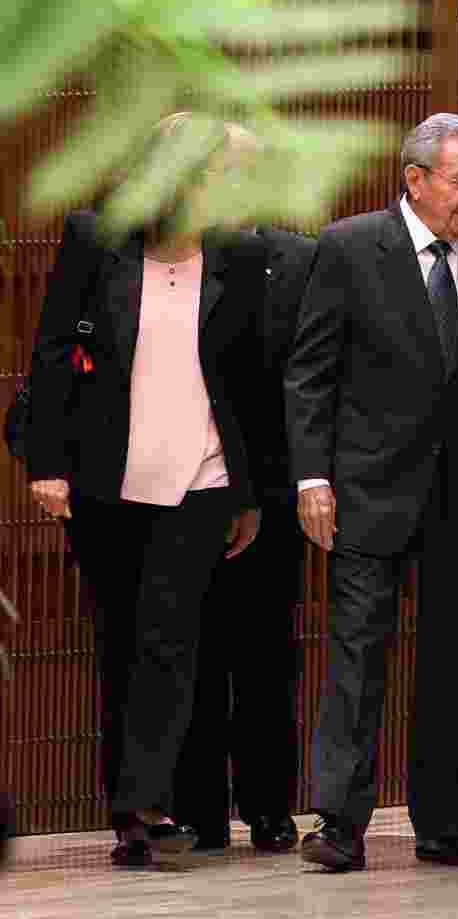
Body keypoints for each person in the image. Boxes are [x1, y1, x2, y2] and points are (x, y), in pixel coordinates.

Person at [286, 114, 458, 873]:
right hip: (367, 489)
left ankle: (449, 821)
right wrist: (312, 476)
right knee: (358, 656)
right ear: (415, 179)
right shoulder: (350, 247)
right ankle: (338, 822)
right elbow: (311, 370)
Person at [24, 114, 267, 867]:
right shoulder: (95, 238)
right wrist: (46, 462)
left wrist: (250, 491)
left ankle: (141, 805)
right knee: (123, 638)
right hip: (109, 474)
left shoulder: (238, 253)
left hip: (202, 474)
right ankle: (132, 795)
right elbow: (55, 349)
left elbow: (247, 378)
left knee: (169, 641)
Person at [173, 200, 316, 852]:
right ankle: (198, 809)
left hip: (278, 483)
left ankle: (268, 805)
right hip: (187, 481)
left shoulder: (301, 256)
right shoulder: (174, 256)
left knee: (267, 655)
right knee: (192, 652)